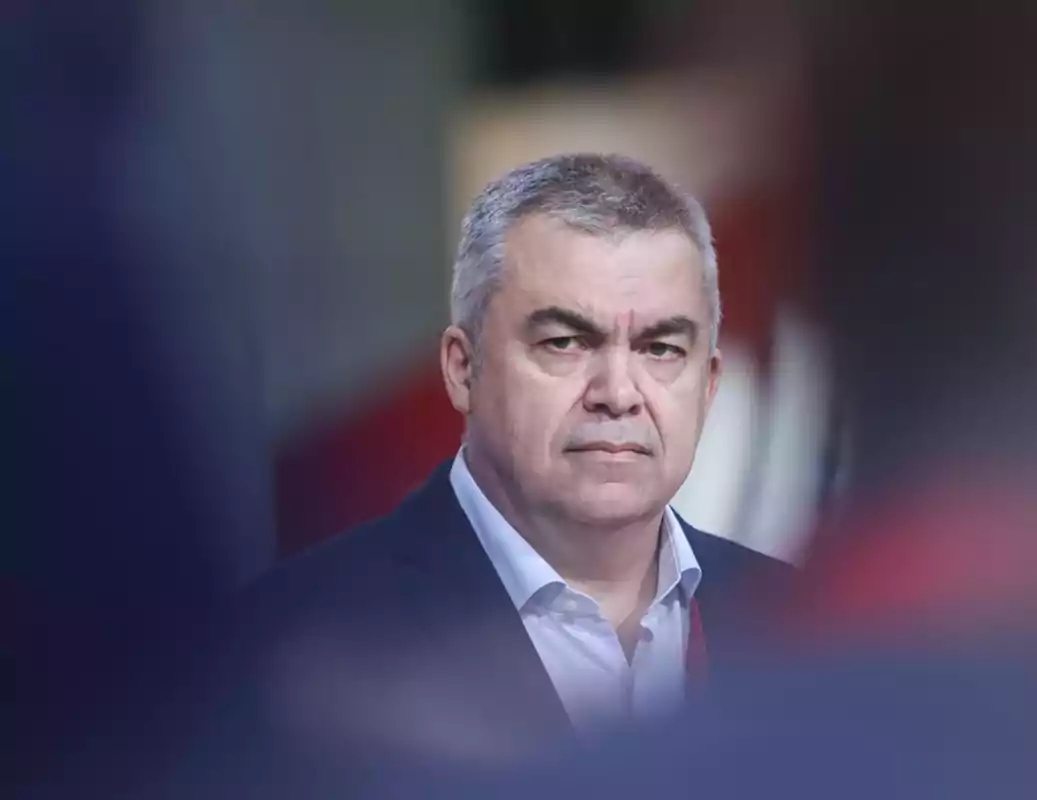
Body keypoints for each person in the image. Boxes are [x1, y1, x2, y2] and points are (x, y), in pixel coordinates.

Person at [177, 153, 791, 796]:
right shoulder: (279, 655)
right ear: (462, 370)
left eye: (661, 349)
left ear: (708, 384)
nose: (617, 393)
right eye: (564, 342)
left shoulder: (804, 623)